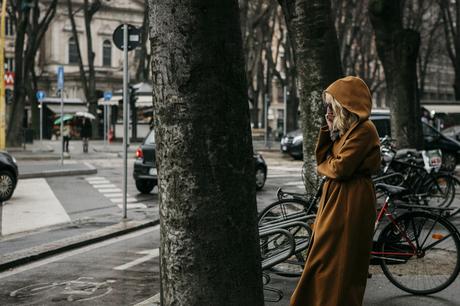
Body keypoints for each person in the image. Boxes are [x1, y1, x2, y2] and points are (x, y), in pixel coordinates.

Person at [290, 76, 381, 306]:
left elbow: (339, 168)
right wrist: (328, 128)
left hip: (351, 200)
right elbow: (324, 161)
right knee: (323, 256)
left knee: (340, 261)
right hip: (337, 197)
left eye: (333, 105)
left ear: (346, 106)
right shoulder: (344, 129)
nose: (328, 111)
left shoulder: (364, 130)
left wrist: (329, 165)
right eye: (327, 106)